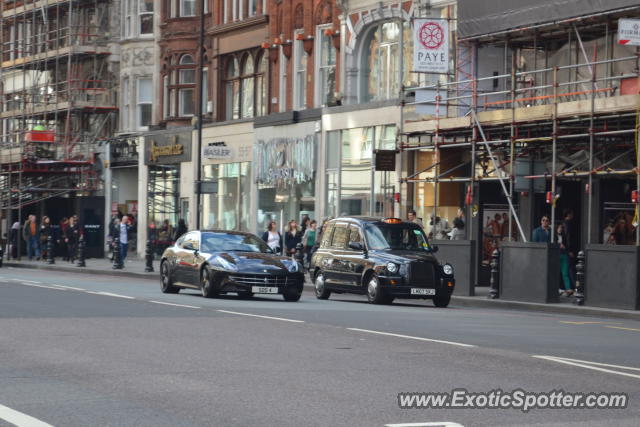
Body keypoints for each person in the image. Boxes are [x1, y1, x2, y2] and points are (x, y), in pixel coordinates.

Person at [556, 223, 573, 296]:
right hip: (556, 255)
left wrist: (567, 251)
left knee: (565, 273)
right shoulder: (553, 236)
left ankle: (568, 289)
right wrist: (558, 245)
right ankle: (557, 289)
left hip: (564, 255)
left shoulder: (564, 236)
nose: (560, 229)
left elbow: (567, 246)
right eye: (559, 227)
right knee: (556, 273)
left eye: (561, 228)